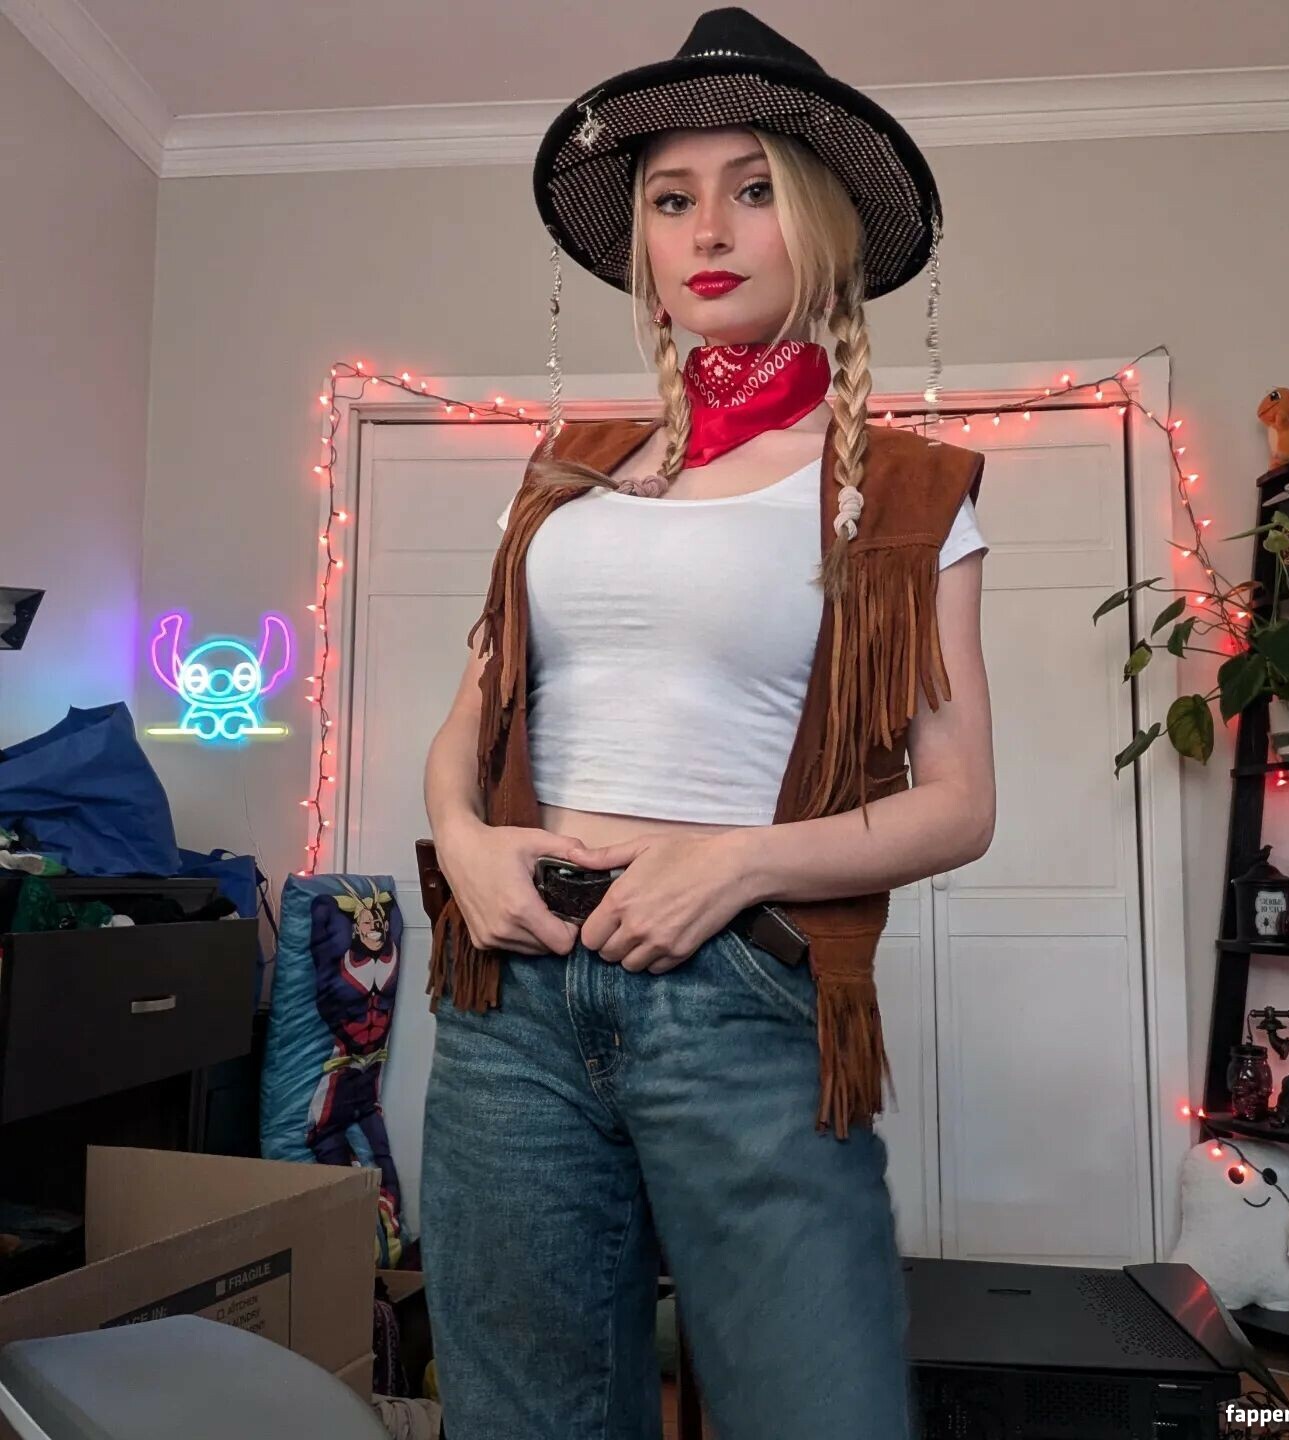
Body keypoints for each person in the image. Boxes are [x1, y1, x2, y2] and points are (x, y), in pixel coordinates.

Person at [419, 9, 996, 1439]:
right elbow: (470, 722)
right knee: (525, 1421)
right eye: (672, 200)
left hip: (741, 990)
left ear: (821, 227)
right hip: (511, 994)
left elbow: (959, 803)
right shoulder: (564, 471)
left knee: (821, 1413)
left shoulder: (905, 491)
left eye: (752, 190)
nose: (710, 230)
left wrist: (733, 864)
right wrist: (462, 847)